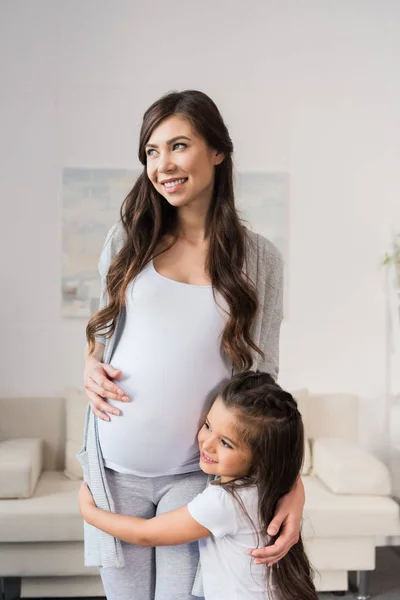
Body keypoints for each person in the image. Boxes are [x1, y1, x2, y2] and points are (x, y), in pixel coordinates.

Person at [80, 89, 305, 600]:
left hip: (196, 474)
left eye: (178, 146)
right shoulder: (126, 241)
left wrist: (291, 481)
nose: (163, 165)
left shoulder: (259, 259)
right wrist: (89, 368)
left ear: (218, 151)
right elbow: (99, 336)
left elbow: (264, 381)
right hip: (113, 471)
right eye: (152, 152)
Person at [79, 371, 317, 600]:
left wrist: (90, 514)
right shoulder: (267, 487)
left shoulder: (225, 501)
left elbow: (146, 534)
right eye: (208, 426)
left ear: (261, 457)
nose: (207, 444)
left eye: (226, 443)